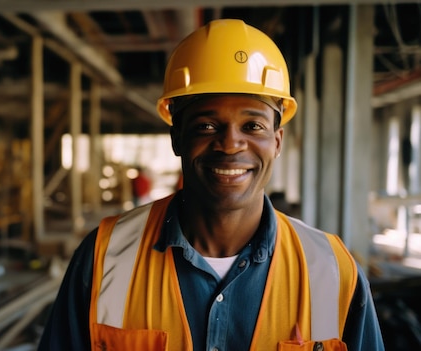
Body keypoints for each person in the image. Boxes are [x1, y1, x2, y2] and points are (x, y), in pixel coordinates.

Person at [38, 19, 384, 351]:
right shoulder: (104, 257)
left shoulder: (332, 270)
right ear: (177, 138)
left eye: (253, 126)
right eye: (206, 126)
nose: (230, 144)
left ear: (277, 141)